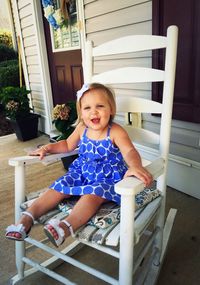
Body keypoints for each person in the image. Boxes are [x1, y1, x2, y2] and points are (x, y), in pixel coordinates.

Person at [5, 83, 153, 247]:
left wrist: (135, 165)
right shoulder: (82, 128)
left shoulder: (116, 131)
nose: (93, 112)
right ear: (81, 113)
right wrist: (47, 148)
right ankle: (26, 218)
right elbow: (67, 145)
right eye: (87, 108)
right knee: (59, 186)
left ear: (111, 109)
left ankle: (65, 227)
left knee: (93, 194)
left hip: (107, 179)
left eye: (100, 106)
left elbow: (129, 151)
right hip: (82, 173)